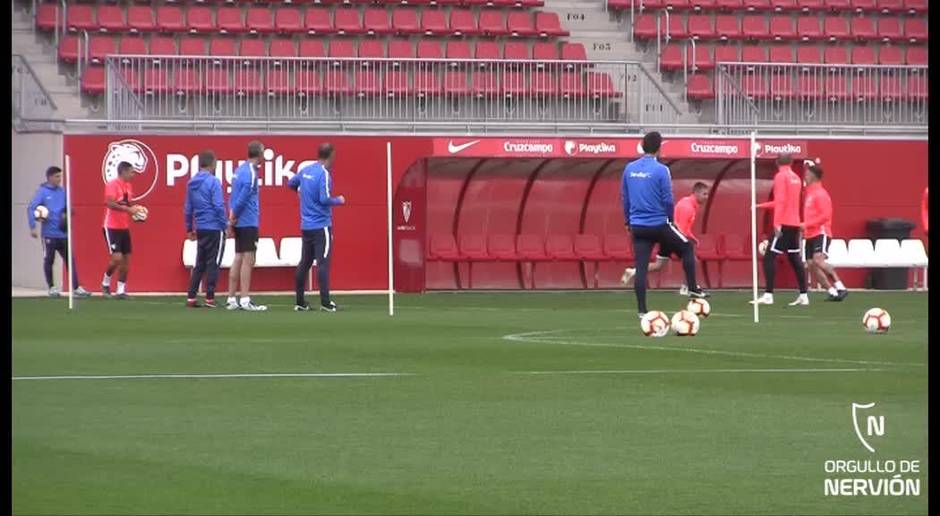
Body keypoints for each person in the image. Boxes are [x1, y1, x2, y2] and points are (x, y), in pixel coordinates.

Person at [622, 131, 708, 319]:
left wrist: (628, 221)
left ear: (642, 146)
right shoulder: (662, 170)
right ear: (659, 148)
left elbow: (626, 198)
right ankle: (692, 288)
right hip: (659, 224)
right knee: (686, 248)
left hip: (637, 226)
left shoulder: (629, 169)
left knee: (641, 266)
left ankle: (642, 310)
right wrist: (670, 221)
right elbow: (668, 199)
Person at [622, 181, 710, 295]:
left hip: (668, 236)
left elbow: (685, 228)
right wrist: (686, 241)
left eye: (707, 194)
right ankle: (687, 287)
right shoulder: (687, 206)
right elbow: (679, 227)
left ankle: (634, 271)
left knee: (658, 265)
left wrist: (692, 238)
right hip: (671, 236)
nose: (706, 197)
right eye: (704, 194)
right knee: (690, 257)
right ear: (696, 193)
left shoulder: (692, 205)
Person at [289, 142, 346, 312]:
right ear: (331, 155)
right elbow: (324, 198)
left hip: (306, 225)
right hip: (321, 226)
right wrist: (339, 200)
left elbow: (291, 184)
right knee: (322, 263)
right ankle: (326, 302)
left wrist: (301, 193)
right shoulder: (323, 174)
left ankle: (300, 301)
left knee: (305, 262)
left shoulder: (306, 170)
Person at [27, 166, 90, 298]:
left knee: (70, 260)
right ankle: (52, 288)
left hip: (63, 233)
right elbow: (31, 208)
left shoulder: (63, 192)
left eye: (60, 176)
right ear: (50, 177)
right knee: (49, 260)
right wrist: (33, 226)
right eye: (57, 176)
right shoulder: (42, 192)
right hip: (49, 234)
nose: (59, 179)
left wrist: (67, 213)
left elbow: (70, 209)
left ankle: (76, 287)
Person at [753, 154, 808, 306]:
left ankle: (768, 295)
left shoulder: (780, 176)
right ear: (790, 162)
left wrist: (776, 223)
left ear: (777, 162)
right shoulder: (796, 178)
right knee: (794, 258)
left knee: (769, 256)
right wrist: (760, 206)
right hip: (795, 223)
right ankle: (804, 294)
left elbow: (780, 201)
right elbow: (785, 201)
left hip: (784, 223)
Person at [225, 140, 267, 311]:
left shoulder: (239, 170)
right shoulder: (250, 173)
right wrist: (232, 218)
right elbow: (241, 198)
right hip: (247, 221)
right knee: (248, 260)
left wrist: (231, 217)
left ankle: (231, 298)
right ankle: (244, 299)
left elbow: (232, 196)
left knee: (238, 257)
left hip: (239, 220)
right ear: (260, 154)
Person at [184, 150, 228, 308]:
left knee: (199, 263)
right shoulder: (213, 182)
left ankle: (191, 296)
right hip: (215, 227)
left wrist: (189, 228)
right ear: (213, 164)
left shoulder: (191, 183)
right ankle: (210, 297)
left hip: (201, 227)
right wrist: (225, 225)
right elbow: (218, 205)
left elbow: (188, 208)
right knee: (213, 262)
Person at [801, 164, 848, 302]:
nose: (805, 176)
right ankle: (832, 291)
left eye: (808, 174)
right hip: (809, 234)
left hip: (820, 232)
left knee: (818, 260)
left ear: (814, 176)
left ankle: (841, 286)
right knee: (810, 264)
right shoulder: (810, 193)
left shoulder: (821, 194)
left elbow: (826, 215)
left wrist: (807, 224)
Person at [102, 161, 142, 299]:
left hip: (124, 226)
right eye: (131, 172)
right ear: (123, 172)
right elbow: (111, 203)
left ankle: (120, 290)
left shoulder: (128, 186)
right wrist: (128, 209)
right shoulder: (112, 184)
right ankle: (105, 282)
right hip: (112, 226)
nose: (133, 175)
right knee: (116, 258)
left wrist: (136, 211)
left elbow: (127, 204)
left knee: (126, 259)